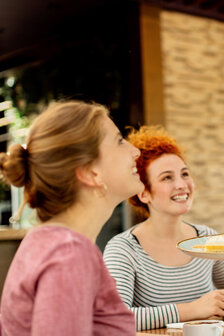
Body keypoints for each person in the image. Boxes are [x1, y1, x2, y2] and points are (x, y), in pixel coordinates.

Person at [103, 125, 224, 331]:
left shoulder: (208, 239)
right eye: (167, 177)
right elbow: (117, 317)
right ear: (143, 193)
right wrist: (193, 309)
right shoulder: (124, 249)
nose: (181, 184)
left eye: (185, 174)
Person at [0, 101, 143, 335]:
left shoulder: (46, 243)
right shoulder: (69, 253)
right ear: (89, 172)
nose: (135, 150)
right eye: (119, 140)